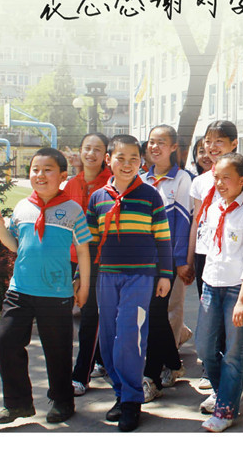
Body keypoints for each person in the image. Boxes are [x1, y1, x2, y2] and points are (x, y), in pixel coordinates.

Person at [0, 147, 92, 425]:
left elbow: (83, 251)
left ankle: (62, 400)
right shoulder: (23, 207)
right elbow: (15, 246)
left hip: (56, 293)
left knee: (57, 350)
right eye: (35, 169)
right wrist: (0, 228)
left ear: (62, 176)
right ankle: (17, 404)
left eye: (48, 170)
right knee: (6, 341)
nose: (40, 175)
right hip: (20, 290)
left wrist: (83, 287)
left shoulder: (73, 210)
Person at [87, 134, 173, 431]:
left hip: (140, 276)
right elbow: (90, 243)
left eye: (134, 159)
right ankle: (121, 393)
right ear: (108, 160)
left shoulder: (150, 196)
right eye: (120, 158)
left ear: (141, 162)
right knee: (109, 337)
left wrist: (165, 274)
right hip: (106, 275)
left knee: (129, 335)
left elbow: (163, 238)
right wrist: (81, 277)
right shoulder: (98, 198)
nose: (127, 164)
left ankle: (132, 401)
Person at [195, 153, 243, 432]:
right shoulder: (214, 208)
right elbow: (209, 248)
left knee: (234, 353)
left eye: (226, 178)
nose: (220, 183)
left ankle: (225, 409)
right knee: (205, 348)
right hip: (211, 286)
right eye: (217, 178)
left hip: (237, 290)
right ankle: (226, 391)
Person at [140, 125, 194, 402]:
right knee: (155, 315)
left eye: (161, 142)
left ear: (174, 147)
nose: (155, 147)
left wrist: (181, 261)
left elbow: (184, 223)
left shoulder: (182, 179)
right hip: (141, 260)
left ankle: (150, 378)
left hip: (166, 261)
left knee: (156, 314)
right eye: (151, 142)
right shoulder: (141, 179)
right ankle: (173, 363)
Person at [187, 120, 239, 390]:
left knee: (229, 316)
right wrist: (189, 258)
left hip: (232, 254)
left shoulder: (242, 178)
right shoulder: (199, 181)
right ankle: (210, 367)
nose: (212, 146)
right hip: (205, 253)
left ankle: (230, 370)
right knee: (208, 312)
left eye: (219, 141)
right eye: (208, 141)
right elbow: (197, 220)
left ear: (234, 144)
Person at [63, 133, 111, 397]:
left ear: (106, 155)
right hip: (70, 257)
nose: (91, 154)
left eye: (97, 149)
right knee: (78, 313)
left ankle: (81, 375)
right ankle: (101, 358)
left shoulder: (111, 184)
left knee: (90, 314)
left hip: (97, 258)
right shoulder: (72, 184)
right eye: (86, 148)